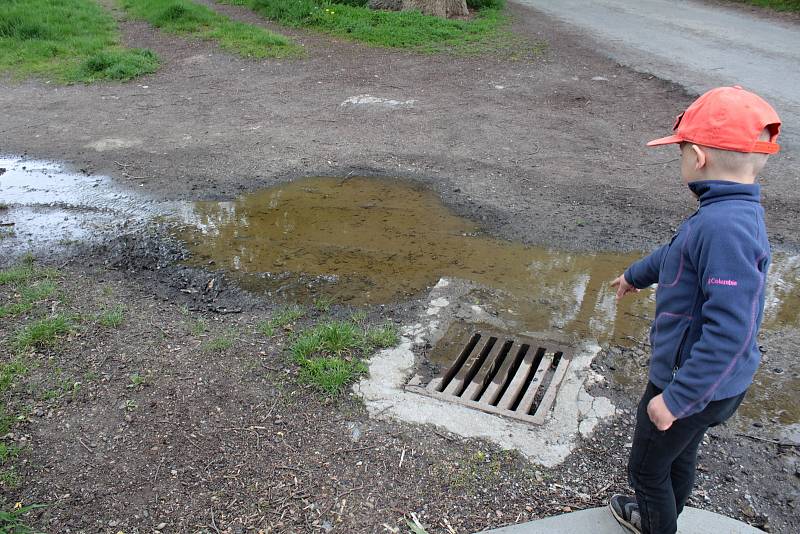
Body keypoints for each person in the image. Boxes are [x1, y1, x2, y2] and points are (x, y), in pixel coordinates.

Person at [607, 86, 781, 534]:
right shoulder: (726, 212)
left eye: (681, 153)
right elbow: (677, 254)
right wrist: (635, 275)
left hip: (691, 383)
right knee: (678, 455)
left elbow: (730, 332)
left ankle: (656, 523)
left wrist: (677, 399)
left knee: (647, 469)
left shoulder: (725, 228)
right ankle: (666, 515)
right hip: (708, 386)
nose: (681, 161)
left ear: (698, 157)